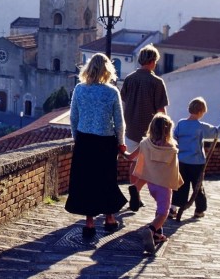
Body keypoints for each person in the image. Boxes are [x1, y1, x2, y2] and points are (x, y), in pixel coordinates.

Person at [65, 53, 127, 239]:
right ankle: (109, 219)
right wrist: (121, 143)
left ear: (89, 68)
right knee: (106, 180)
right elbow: (119, 122)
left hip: (85, 140)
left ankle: (89, 223)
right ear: (107, 70)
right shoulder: (112, 92)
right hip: (105, 141)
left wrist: (77, 138)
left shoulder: (79, 89)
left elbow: (73, 117)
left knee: (86, 181)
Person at [125, 113, 183, 254]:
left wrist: (122, 151)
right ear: (168, 130)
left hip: (150, 183)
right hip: (164, 186)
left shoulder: (145, 143)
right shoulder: (172, 148)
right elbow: (174, 170)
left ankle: (157, 235)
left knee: (159, 209)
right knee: (163, 213)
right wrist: (178, 181)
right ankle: (150, 231)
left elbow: (131, 157)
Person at [121, 44, 169, 211]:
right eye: (155, 61)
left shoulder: (129, 79)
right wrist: (166, 131)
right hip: (150, 132)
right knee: (149, 165)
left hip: (131, 129)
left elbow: (124, 102)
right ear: (152, 61)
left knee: (133, 163)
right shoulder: (157, 82)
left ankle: (135, 196)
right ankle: (137, 191)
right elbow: (161, 111)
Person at [170, 97, 220, 218]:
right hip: (197, 163)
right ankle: (199, 209)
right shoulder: (201, 126)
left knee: (180, 185)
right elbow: (217, 132)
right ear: (200, 112)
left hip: (181, 160)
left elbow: (175, 138)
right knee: (197, 186)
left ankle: (173, 208)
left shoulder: (181, 123)